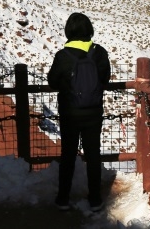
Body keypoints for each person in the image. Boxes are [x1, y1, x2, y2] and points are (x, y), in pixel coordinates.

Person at [47, 12, 111, 212]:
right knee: (93, 155)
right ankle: (95, 199)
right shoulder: (99, 53)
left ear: (69, 31)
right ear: (89, 30)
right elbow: (105, 79)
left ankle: (63, 198)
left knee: (68, 155)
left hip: (70, 113)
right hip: (93, 112)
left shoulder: (62, 56)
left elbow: (52, 82)